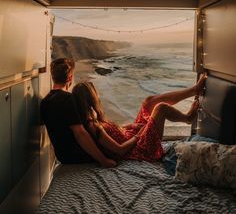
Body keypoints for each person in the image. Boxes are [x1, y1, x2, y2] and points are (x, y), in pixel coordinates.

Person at [72, 75, 206, 162]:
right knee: (160, 108)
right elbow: (120, 149)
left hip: (133, 136)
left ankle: (194, 90)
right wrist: (139, 134)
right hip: (140, 148)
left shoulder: (93, 119)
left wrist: (130, 126)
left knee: (148, 102)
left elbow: (114, 133)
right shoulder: (94, 127)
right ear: (91, 99)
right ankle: (188, 118)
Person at [40, 58, 131, 168]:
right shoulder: (67, 98)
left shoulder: (45, 101)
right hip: (78, 156)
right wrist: (104, 161)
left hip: (62, 156)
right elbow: (80, 133)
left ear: (53, 77)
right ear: (70, 77)